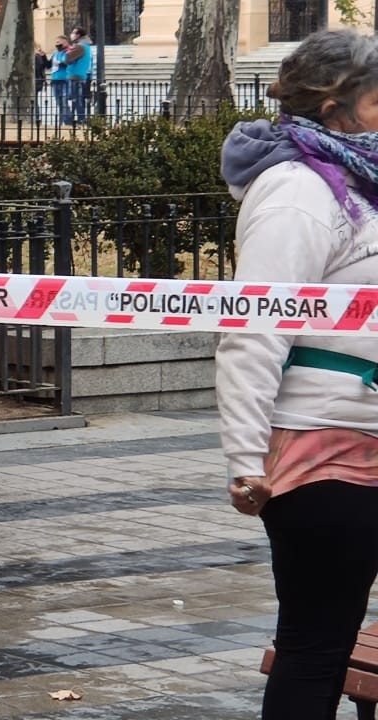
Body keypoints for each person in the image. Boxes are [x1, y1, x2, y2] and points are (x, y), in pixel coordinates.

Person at [217, 29, 378, 720]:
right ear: (338, 103)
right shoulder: (297, 192)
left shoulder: (361, 179)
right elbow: (256, 328)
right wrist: (246, 459)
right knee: (317, 646)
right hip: (325, 451)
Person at [61, 27, 91, 124]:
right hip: (81, 74)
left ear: (78, 35)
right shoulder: (86, 46)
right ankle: (79, 118)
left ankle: (75, 119)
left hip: (75, 75)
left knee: (73, 99)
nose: (72, 35)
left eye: (74, 33)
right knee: (77, 99)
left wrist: (67, 52)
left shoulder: (79, 46)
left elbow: (67, 59)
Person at [50, 36, 71, 126]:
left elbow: (67, 63)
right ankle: (62, 119)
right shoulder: (55, 54)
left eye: (59, 43)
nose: (57, 45)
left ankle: (67, 119)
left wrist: (60, 63)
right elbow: (49, 64)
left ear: (65, 43)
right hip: (55, 79)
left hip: (64, 79)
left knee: (64, 100)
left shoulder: (68, 52)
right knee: (59, 101)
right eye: (56, 43)